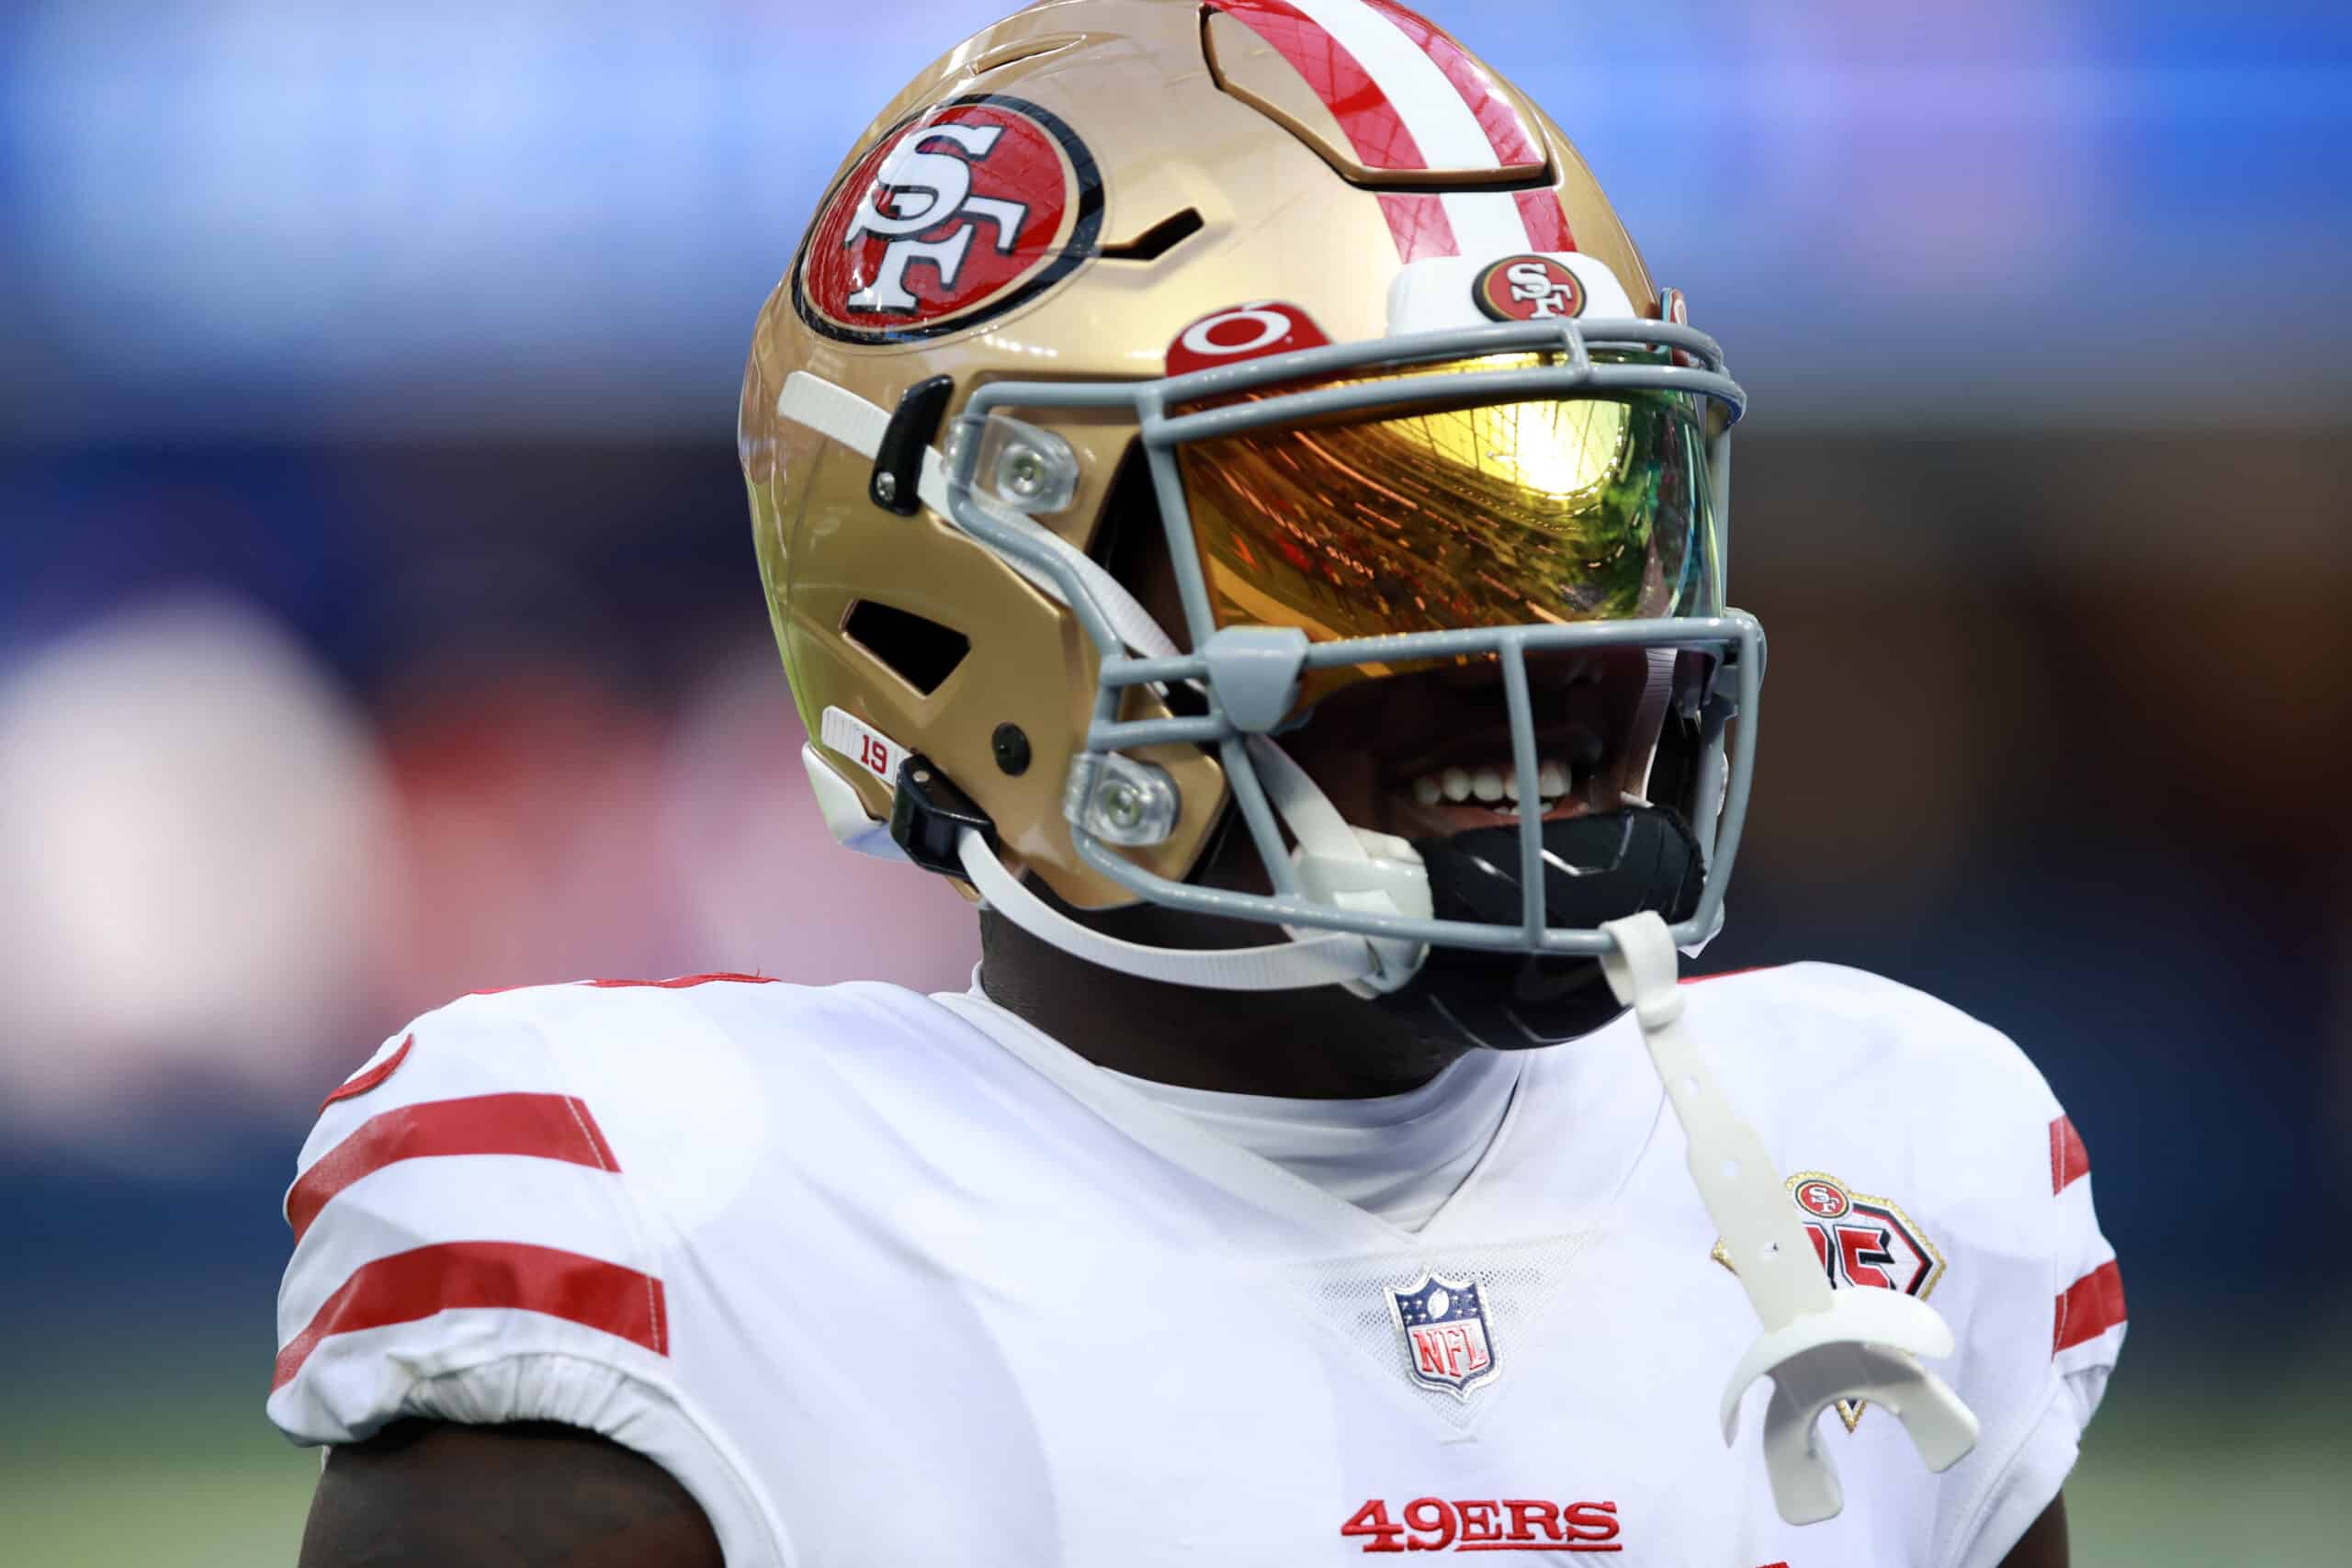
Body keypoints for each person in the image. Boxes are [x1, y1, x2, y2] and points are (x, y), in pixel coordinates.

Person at [274, 3, 2121, 1563]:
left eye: (1583, 516)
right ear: (966, 609)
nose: (1558, 654)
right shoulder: (673, 1214)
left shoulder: (1891, 1151)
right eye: (1359, 541)